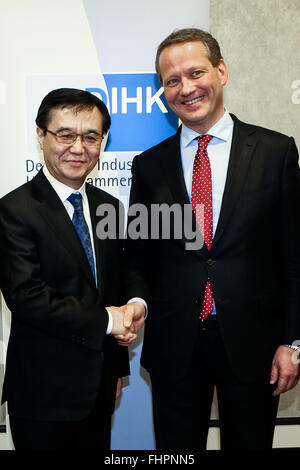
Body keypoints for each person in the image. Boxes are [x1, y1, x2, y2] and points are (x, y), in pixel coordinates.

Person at [124, 29, 300, 450]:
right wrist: (138, 301)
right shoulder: (148, 166)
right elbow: (137, 255)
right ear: (162, 91)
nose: (185, 88)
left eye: (195, 72)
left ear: (221, 71)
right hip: (174, 346)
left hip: (255, 347)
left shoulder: (276, 152)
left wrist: (292, 342)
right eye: (171, 81)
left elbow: (293, 256)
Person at [0, 88, 145, 450]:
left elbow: (119, 278)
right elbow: (27, 296)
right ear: (40, 134)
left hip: (98, 387)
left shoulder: (108, 205)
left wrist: (135, 307)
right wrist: (109, 321)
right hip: (42, 395)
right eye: (65, 134)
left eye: (91, 136)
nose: (79, 147)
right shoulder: (14, 210)